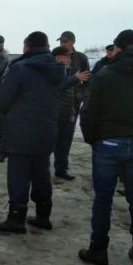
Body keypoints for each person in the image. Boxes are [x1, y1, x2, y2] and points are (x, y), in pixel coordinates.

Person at [78, 29, 133, 265]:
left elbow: (88, 112)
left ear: (118, 48)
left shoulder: (105, 75)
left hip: (108, 143)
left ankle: (98, 250)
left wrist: (93, 139)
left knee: (103, 199)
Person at [0, 31, 65, 234]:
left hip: (21, 131)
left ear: (26, 46)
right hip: (47, 129)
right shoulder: (57, 69)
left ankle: (16, 219)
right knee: (41, 172)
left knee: (19, 174)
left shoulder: (20, 68)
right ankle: (43, 215)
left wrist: (12, 113)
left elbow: (1, 100)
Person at [52, 46, 91, 181]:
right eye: (66, 56)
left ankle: (61, 169)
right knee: (52, 144)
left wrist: (72, 111)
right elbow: (58, 87)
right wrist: (76, 78)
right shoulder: (52, 70)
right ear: (57, 58)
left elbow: (70, 94)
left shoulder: (66, 70)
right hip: (55, 115)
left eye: (69, 56)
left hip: (67, 114)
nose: (69, 59)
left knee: (64, 144)